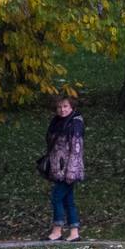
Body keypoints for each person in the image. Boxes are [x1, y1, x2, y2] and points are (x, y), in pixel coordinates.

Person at [43, 95, 85, 241]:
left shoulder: (75, 123)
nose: (62, 110)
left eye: (65, 106)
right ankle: (74, 232)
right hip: (58, 168)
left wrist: (71, 172)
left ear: (72, 107)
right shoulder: (56, 122)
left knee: (56, 197)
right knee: (68, 200)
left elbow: (76, 150)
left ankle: (57, 231)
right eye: (59, 107)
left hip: (69, 169)